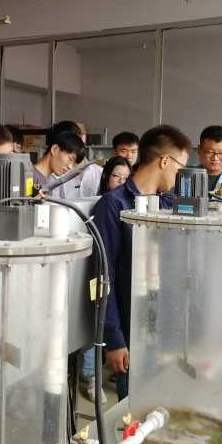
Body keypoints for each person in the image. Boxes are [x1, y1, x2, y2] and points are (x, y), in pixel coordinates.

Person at [93, 125, 191, 401]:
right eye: (180, 167)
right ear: (164, 161)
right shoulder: (113, 205)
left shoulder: (168, 204)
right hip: (131, 330)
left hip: (167, 328)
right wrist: (113, 338)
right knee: (136, 409)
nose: (181, 175)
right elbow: (102, 274)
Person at [80, 155, 131, 404]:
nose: (120, 182)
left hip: (115, 289)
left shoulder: (130, 205)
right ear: (105, 177)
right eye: (115, 176)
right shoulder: (106, 205)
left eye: (125, 178)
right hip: (95, 281)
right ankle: (91, 377)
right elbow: (103, 264)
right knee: (94, 330)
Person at [81, 132, 140, 197]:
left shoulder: (140, 173)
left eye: (133, 151)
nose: (129, 156)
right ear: (114, 152)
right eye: (124, 151)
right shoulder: (98, 171)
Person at [32, 131, 85, 196]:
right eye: (70, 159)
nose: (70, 167)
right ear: (55, 149)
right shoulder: (29, 178)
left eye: (74, 164)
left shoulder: (50, 182)